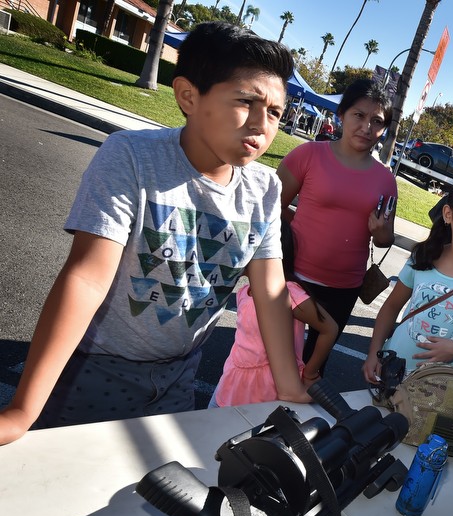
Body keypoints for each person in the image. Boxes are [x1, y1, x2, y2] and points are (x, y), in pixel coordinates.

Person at [0, 21, 308, 446]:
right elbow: (87, 277)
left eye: (275, 112)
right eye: (246, 101)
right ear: (188, 96)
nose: (262, 124)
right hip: (98, 368)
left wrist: (289, 387)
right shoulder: (131, 156)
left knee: (148, 493)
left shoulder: (265, 188)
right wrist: (22, 409)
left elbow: (271, 290)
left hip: (180, 374)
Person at [278, 78, 397, 377]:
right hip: (293, 276)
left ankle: (295, 420)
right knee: (273, 356)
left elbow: (385, 240)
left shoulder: (385, 180)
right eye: (359, 115)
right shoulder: (308, 155)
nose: (367, 127)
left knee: (314, 367)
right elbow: (271, 208)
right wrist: (299, 227)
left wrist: (380, 231)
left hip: (345, 287)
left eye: (377, 121)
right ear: (341, 114)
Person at [362, 177, 453, 382]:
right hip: (391, 369)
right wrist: (374, 353)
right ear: (448, 214)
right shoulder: (423, 257)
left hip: (440, 387)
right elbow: (391, 307)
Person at [210, 224, 338, 407]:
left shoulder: (287, 293)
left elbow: (329, 329)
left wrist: (310, 372)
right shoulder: (245, 291)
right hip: (234, 376)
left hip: (269, 386)